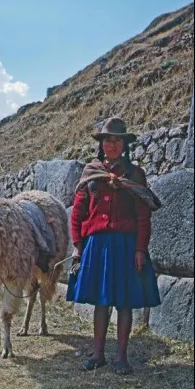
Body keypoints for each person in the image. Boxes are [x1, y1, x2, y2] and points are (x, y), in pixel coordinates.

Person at [66, 117, 162, 374]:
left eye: (117, 140)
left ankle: (121, 356)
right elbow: (78, 213)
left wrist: (140, 249)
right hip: (96, 245)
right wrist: (78, 246)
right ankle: (98, 354)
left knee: (125, 301)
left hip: (125, 246)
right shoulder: (91, 174)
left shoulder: (134, 174)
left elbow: (143, 216)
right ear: (101, 144)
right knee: (100, 301)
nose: (112, 144)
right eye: (108, 140)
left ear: (124, 145)